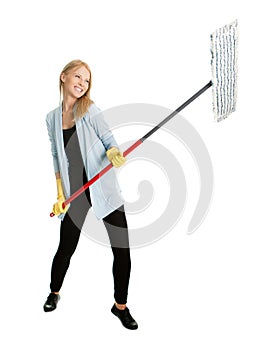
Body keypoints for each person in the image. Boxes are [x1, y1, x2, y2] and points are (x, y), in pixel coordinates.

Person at [43, 59, 138, 330]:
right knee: (65, 248)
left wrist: (113, 152)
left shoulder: (90, 110)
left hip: (102, 188)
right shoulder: (51, 118)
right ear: (63, 77)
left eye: (86, 80)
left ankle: (120, 307)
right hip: (75, 194)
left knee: (122, 251)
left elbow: (109, 140)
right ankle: (54, 292)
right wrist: (60, 193)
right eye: (78, 77)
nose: (82, 83)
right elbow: (55, 156)